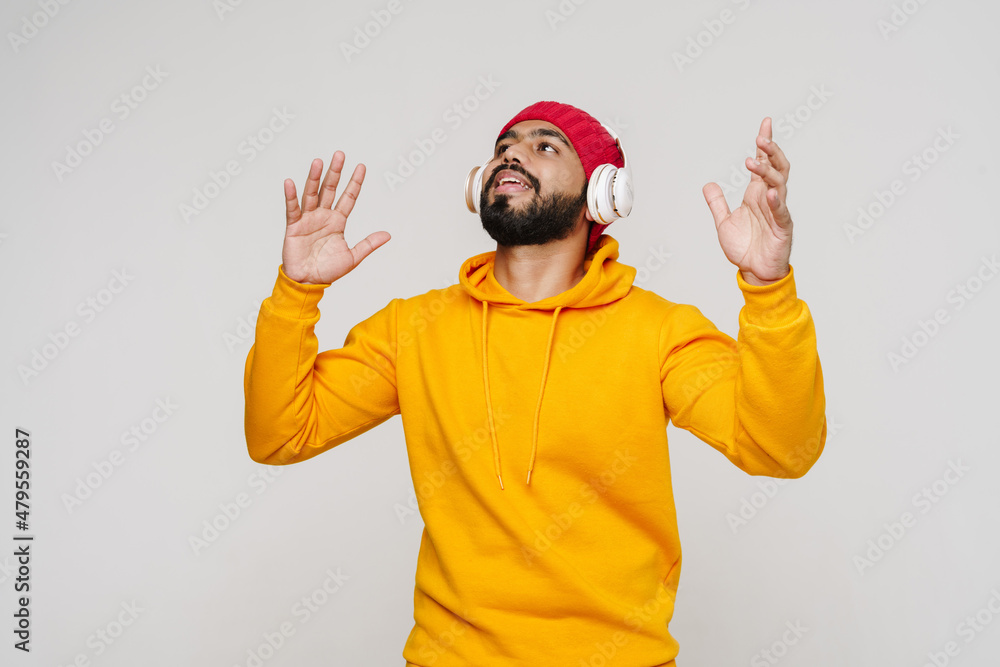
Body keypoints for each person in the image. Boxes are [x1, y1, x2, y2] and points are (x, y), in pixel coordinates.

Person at [243, 100, 827, 666]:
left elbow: (781, 449)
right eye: (504, 147)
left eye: (546, 146)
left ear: (602, 194)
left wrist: (768, 289)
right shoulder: (413, 327)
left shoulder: (659, 330)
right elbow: (279, 435)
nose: (512, 155)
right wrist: (298, 291)